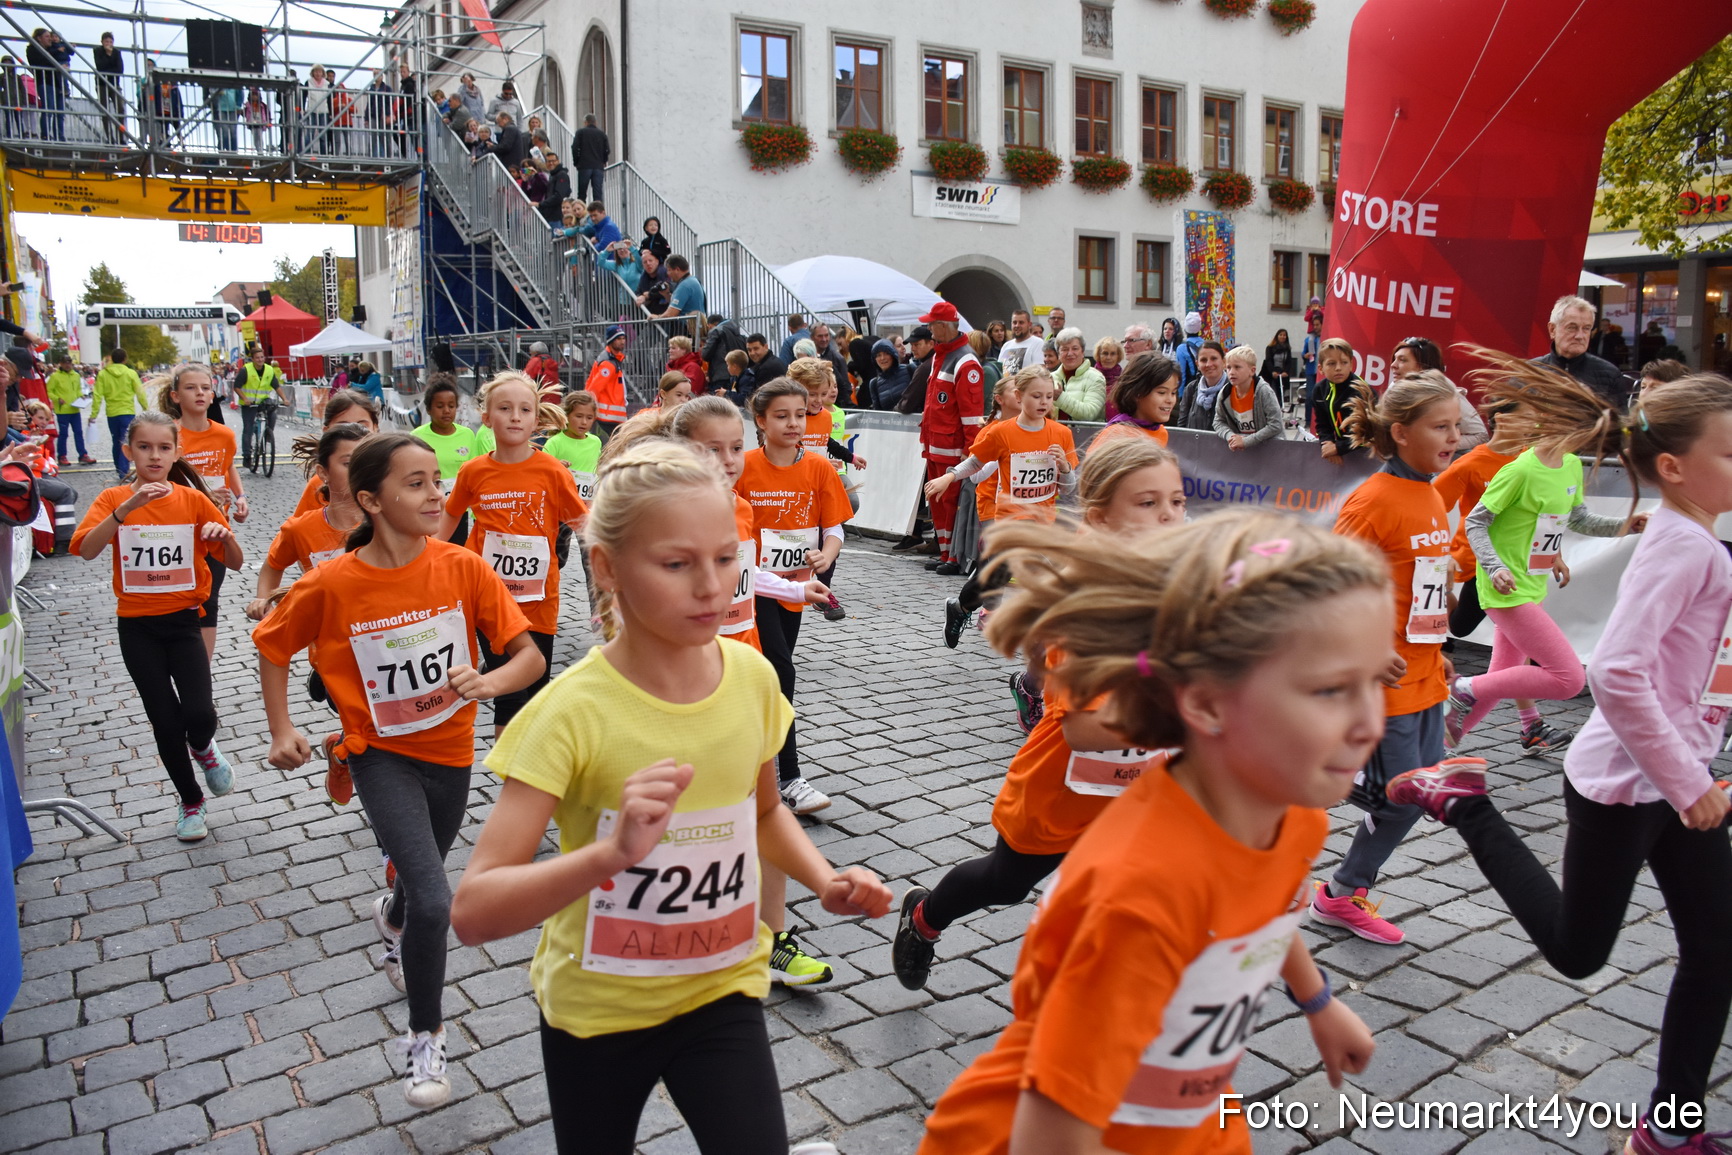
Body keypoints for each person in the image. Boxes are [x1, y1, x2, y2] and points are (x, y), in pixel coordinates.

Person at [448, 436, 890, 1153]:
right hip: (600, 1010)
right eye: (677, 563)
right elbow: (472, 910)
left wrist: (823, 878)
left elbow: (765, 811)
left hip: (722, 990)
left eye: (725, 556)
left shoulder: (752, 677)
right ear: (606, 565)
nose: (712, 586)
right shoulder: (570, 712)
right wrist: (610, 855)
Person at [917, 510, 1379, 1155]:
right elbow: (1050, 1131)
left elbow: (1265, 911)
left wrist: (1321, 1004)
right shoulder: (1135, 895)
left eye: (1377, 680)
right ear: (1207, 703)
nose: (1370, 724)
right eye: (1330, 690)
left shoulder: (1294, 817)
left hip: (1186, 1120)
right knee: (1005, 877)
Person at [1388, 373, 1732, 1155]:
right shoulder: (1684, 548)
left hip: (1679, 778)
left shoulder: (1695, 540)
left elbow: (1704, 663)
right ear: (1675, 466)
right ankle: (1466, 801)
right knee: (1581, 953)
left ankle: (1667, 1129)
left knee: (1716, 950)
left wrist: (1694, 772)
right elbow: (1615, 672)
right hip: (1625, 786)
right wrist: (1688, 784)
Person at [257, 433, 544, 1110]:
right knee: (438, 898)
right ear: (370, 500)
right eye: (414, 483)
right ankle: (424, 1039)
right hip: (378, 754)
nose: (434, 493)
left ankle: (392, 915)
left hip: (451, 754)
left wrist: (488, 679)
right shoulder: (331, 582)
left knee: (414, 898)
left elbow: (529, 657)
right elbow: (272, 645)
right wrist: (281, 730)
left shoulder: (463, 566)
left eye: (436, 479)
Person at [897, 438, 1187, 985]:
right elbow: (1082, 731)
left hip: (1144, 789)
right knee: (1005, 883)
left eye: (1177, 500)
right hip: (1064, 787)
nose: (1170, 515)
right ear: (1100, 518)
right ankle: (923, 917)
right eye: (1148, 503)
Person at [1304, 372, 1462, 946]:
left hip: (1425, 678)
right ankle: (1341, 889)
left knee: (1420, 792)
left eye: (1457, 425)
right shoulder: (1372, 500)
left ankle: (1343, 888)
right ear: (1400, 432)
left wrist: (1440, 649)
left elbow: (1425, 585)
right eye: (1440, 426)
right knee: (1404, 795)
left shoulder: (1431, 492)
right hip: (1382, 683)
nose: (1454, 436)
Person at [1445, 351, 1649, 748]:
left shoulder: (1571, 465)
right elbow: (1476, 521)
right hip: (1505, 589)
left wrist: (1625, 525)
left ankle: (1434, 753)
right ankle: (1462, 685)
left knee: (1501, 677)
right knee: (1569, 678)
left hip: (1532, 584)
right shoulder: (1520, 469)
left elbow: (1578, 520)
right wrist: (1494, 566)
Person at [71, 412, 242, 842]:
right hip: (138, 629)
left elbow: (235, 562)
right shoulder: (113, 498)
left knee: (199, 713)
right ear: (129, 452)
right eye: (144, 447)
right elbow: (86, 549)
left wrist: (224, 539)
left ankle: (203, 747)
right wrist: (126, 510)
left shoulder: (190, 499)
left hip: (186, 622)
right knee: (165, 722)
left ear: (176, 453)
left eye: (164, 448)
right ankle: (191, 803)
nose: (154, 455)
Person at [438, 372, 588, 735]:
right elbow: (451, 512)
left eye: (524, 410)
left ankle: (530, 768)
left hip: (539, 598)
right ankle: (511, 774)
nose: (516, 417)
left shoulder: (552, 471)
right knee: (510, 691)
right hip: (489, 597)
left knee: (535, 688)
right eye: (505, 409)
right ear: (486, 418)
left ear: (537, 419)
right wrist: (434, 555)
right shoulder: (474, 471)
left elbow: (581, 520)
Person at [736, 378, 853, 815]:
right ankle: (790, 776)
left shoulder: (820, 468)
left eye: (800, 415)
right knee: (781, 671)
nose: (793, 423)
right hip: (752, 589)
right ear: (761, 421)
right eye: (781, 416)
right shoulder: (743, 466)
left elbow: (834, 525)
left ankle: (754, 765)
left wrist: (827, 553)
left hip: (795, 588)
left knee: (767, 676)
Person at [1435, 401, 1573, 758]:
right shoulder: (1472, 463)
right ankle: (1456, 686)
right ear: (1499, 418)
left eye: (1536, 414)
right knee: (1461, 629)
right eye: (1526, 414)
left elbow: (1541, 520)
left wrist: (1553, 553)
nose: (1534, 421)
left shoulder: (1535, 458)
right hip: (1477, 566)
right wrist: (1439, 557)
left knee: (1508, 665)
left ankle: (1527, 725)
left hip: (1517, 574)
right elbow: (1431, 503)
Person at [928, 365, 1079, 644]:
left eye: (1048, 396)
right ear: (1019, 397)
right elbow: (975, 462)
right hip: (1009, 521)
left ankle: (960, 607)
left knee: (995, 578)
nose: (1044, 402)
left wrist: (1066, 467)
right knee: (1004, 575)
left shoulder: (1061, 434)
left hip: (1042, 523)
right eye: (1036, 396)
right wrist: (949, 477)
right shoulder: (1002, 432)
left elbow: (1069, 488)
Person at [159, 364, 247, 661]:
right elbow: (158, 480)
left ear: (213, 395)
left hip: (215, 527)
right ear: (175, 396)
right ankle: (175, 654)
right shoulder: (169, 434)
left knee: (210, 598)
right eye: (190, 387)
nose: (199, 393)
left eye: (205, 388)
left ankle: (202, 667)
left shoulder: (223, 434)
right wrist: (200, 496)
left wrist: (240, 496)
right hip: (178, 528)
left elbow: (228, 465)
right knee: (180, 598)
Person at [919, 303, 987, 575]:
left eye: (932, 324)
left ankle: (954, 556)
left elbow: (972, 415)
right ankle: (945, 551)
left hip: (952, 448)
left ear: (945, 326)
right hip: (935, 444)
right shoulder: (940, 355)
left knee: (951, 503)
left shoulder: (966, 361)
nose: (929, 329)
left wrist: (969, 452)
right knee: (937, 502)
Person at [292, 390, 382, 516]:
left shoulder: (391, 475)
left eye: (362, 426)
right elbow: (299, 531)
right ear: (326, 431)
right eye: (343, 427)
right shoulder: (319, 484)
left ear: (375, 428)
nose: (354, 432)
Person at [1391, 336, 1488, 452]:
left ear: (1422, 366)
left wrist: (1438, 445)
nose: (1393, 365)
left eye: (1402, 360)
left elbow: (1481, 435)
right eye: (1395, 359)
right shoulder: (1395, 386)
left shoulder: (1446, 394)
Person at [1534, 294, 1628, 407]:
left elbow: (1621, 422)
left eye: (1586, 328)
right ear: (1552, 330)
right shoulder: (1530, 371)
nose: (1580, 336)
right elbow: (1512, 420)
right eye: (1572, 327)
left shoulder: (1610, 374)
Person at [1089, 351, 1179, 451]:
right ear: (1137, 392)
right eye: (1162, 392)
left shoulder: (1161, 432)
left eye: (1173, 393)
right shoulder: (1115, 436)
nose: (1170, 400)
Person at [412, 374, 480, 497]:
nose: (446, 411)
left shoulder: (467, 434)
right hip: (431, 503)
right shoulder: (416, 438)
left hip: (463, 506)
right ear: (428, 409)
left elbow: (474, 474)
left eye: (451, 406)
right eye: (440, 406)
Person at [1213, 344, 1283, 450]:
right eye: (1228, 367)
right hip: (1243, 453)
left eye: (1237, 367)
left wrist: (1247, 441)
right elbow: (1218, 421)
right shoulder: (1225, 393)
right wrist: (1231, 437)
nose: (1231, 372)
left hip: (1270, 450)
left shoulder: (1263, 391)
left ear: (1252, 371)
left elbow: (1276, 424)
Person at [94, 348, 148, 478]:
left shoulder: (103, 374)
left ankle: (118, 467)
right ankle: (124, 471)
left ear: (112, 359)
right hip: (127, 411)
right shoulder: (130, 373)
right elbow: (140, 392)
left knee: (115, 440)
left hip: (112, 413)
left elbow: (97, 395)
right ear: (125, 359)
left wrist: (93, 414)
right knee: (125, 440)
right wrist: (145, 408)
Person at [1314, 337, 1370, 461]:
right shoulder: (1319, 390)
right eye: (1331, 363)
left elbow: (1368, 433)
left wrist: (1338, 448)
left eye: (1344, 362)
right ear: (1321, 368)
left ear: (1351, 365)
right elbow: (1322, 424)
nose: (1338, 368)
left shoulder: (1361, 391)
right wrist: (1327, 443)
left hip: (1369, 454)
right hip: (1342, 451)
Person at [543, 389, 603, 504]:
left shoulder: (596, 442)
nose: (584, 422)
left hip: (588, 504)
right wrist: (557, 467)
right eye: (579, 416)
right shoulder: (555, 442)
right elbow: (542, 472)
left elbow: (597, 469)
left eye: (589, 418)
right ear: (566, 416)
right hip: (562, 503)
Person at [236, 347, 290, 468]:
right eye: (257, 358)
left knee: (273, 412)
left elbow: (276, 386)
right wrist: (245, 399)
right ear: (252, 359)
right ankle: (247, 456)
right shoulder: (246, 370)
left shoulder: (269, 370)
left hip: (263, 401)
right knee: (248, 428)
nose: (260, 360)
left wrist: (284, 399)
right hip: (249, 403)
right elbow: (236, 386)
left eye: (262, 357)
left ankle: (268, 434)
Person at [1050, 328, 1105, 422]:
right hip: (1053, 434)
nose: (1070, 353)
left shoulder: (1096, 378)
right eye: (1064, 349)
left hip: (1084, 435)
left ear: (1083, 352)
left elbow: (1089, 414)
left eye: (1075, 349)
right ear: (1058, 354)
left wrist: (1061, 398)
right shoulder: (1050, 378)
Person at [26, 28, 71, 143]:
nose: (50, 39)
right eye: (47, 36)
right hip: (45, 82)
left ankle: (59, 136)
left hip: (57, 83)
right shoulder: (32, 49)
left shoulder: (52, 48)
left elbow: (64, 57)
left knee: (60, 112)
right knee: (48, 109)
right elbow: (39, 62)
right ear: (39, 38)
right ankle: (45, 134)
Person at [47, 354, 92, 465]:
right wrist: (57, 399)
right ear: (61, 364)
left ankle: (83, 455)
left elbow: (77, 390)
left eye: (69, 363)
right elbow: (48, 391)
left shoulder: (75, 375)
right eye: (65, 363)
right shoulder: (55, 376)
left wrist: (81, 395)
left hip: (75, 409)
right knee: (63, 434)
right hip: (63, 410)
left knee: (78, 432)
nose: (68, 365)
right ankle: (62, 456)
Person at [585, 325, 629, 430]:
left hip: (611, 416)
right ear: (611, 340)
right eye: (618, 339)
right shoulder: (608, 363)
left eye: (623, 338)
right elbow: (594, 389)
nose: (622, 342)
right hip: (609, 417)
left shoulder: (612, 360)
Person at [700, 315, 747, 392]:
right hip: (737, 374)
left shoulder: (716, 331)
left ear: (711, 325)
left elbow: (705, 354)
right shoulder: (735, 331)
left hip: (720, 376)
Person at [94, 31, 124, 142]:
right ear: (102, 42)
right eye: (106, 41)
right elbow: (100, 66)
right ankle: (110, 137)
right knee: (105, 111)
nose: (109, 44)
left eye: (111, 42)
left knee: (120, 109)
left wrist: (110, 58)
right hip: (102, 84)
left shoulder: (116, 52)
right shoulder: (97, 51)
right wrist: (109, 56)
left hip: (114, 84)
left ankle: (121, 137)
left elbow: (120, 70)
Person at [573, 111, 610, 202]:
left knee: (582, 193)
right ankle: (598, 212)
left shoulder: (580, 132)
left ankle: (581, 213)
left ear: (586, 122)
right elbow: (607, 150)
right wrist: (603, 161)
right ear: (595, 122)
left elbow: (575, 148)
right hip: (598, 166)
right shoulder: (602, 134)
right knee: (597, 193)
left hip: (584, 165)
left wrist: (576, 162)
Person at [867, 337, 910, 410]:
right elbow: (878, 413)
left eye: (886, 353)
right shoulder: (874, 383)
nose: (882, 358)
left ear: (893, 355)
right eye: (878, 355)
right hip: (889, 421)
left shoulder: (909, 369)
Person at [657, 256, 705, 320]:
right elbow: (683, 304)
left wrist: (657, 317)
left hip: (687, 328)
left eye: (669, 270)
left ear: (677, 269)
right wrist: (667, 294)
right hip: (695, 326)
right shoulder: (693, 281)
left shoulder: (684, 286)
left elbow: (671, 314)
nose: (668, 274)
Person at [997, 309, 1044, 374]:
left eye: (1021, 322)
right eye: (1014, 322)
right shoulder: (1006, 346)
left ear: (1029, 325)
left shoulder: (1038, 343)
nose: (1017, 325)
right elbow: (1000, 369)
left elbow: (1039, 371)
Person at [1092, 336, 1123, 417]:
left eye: (1113, 354)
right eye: (1105, 353)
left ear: (1118, 356)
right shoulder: (1090, 376)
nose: (1109, 357)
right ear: (1098, 355)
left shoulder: (1124, 379)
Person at [1263, 327, 1295, 406]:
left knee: (1281, 391)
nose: (1282, 337)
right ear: (1277, 336)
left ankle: (1280, 407)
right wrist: (1273, 371)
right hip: (1272, 373)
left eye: (1284, 335)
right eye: (1280, 335)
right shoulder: (1270, 348)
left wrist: (1286, 372)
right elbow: (1268, 360)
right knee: (1274, 391)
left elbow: (1289, 361)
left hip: (1282, 372)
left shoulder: (1287, 349)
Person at [1172, 310, 1205, 384]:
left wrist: (1179, 393)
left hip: (1189, 388)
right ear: (1199, 328)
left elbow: (1181, 374)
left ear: (1185, 328)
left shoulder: (1181, 348)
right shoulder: (1206, 345)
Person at [537, 152, 571, 223]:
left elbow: (559, 196)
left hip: (556, 217)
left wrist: (541, 204)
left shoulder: (562, 175)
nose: (551, 163)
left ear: (558, 161)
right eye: (549, 161)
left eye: (553, 161)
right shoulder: (552, 175)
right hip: (550, 216)